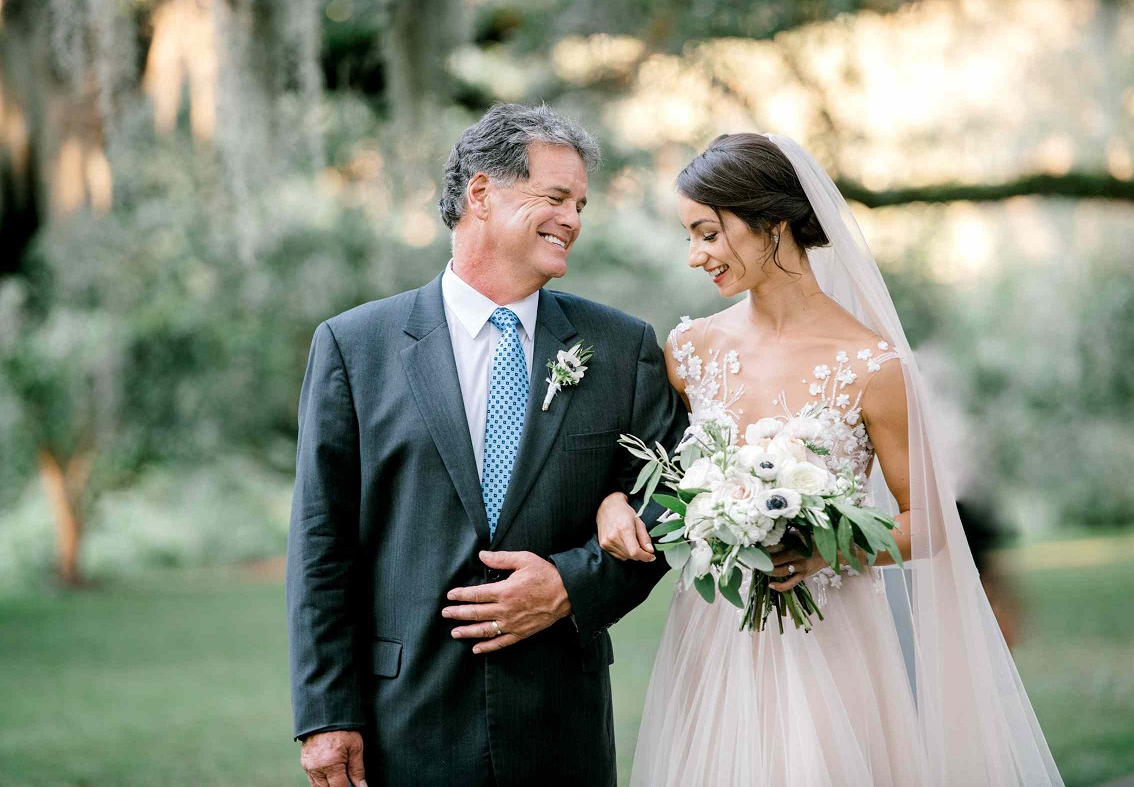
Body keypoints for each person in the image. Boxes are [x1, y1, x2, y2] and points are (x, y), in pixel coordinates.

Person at [595, 133, 1063, 785]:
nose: (697, 256)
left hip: (833, 638)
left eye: (708, 233)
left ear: (772, 223)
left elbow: (927, 523)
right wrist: (616, 499)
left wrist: (824, 549)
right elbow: (628, 464)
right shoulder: (690, 351)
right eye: (690, 237)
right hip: (714, 636)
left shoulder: (874, 366)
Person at [286, 103, 688, 787]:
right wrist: (326, 715)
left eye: (581, 204)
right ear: (481, 192)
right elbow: (322, 542)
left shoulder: (621, 348)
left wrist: (571, 584)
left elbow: (680, 494)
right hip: (403, 719)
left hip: (560, 718)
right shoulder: (355, 347)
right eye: (556, 196)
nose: (574, 219)